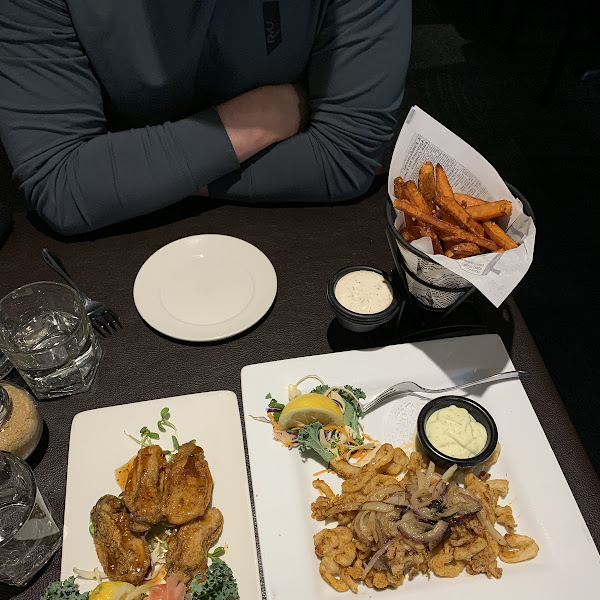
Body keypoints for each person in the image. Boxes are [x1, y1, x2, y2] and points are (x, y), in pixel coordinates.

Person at [0, 1, 411, 236]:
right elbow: (61, 186)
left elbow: (344, 159)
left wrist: (129, 176)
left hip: (297, 238)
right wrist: (268, 115)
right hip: (122, 251)